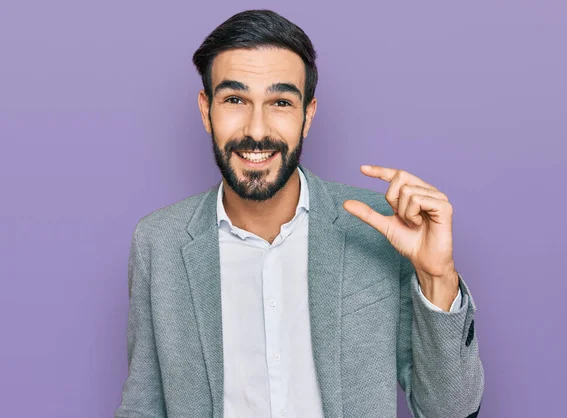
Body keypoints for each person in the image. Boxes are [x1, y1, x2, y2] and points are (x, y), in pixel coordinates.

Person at [115, 9, 484, 418]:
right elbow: (142, 408)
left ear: (307, 115)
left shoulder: (382, 227)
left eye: (280, 102)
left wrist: (438, 276)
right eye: (235, 99)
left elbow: (450, 411)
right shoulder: (157, 243)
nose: (257, 130)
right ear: (206, 110)